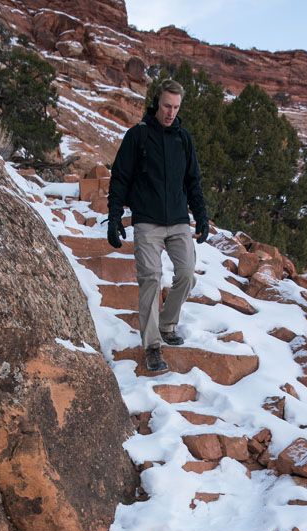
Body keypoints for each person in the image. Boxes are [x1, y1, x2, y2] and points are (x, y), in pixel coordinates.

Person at [107, 79, 209, 373]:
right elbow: (120, 178)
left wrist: (201, 217)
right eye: (166, 106)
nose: (171, 113)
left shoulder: (184, 139)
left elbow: (193, 182)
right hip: (147, 222)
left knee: (187, 274)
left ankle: (167, 323)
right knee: (151, 277)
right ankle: (152, 346)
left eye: (176, 107)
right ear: (157, 103)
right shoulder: (138, 136)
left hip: (177, 220)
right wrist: (115, 217)